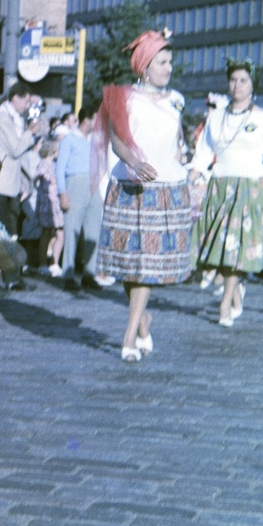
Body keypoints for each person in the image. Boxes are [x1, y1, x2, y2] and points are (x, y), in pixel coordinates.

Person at [93, 30, 194, 362]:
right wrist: (135, 161)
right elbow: (117, 140)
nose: (168, 68)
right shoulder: (122, 97)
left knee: (146, 266)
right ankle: (143, 319)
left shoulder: (176, 99)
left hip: (163, 189)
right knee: (128, 266)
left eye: (170, 61)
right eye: (161, 62)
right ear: (144, 66)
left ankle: (129, 335)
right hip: (129, 187)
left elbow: (176, 142)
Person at [190, 59, 263, 325]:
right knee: (216, 248)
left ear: (252, 85)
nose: (237, 86)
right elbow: (204, 150)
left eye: (243, 80)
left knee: (236, 248)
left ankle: (225, 303)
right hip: (221, 185)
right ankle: (235, 291)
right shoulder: (217, 116)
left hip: (250, 187)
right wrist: (195, 173)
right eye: (233, 80)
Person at [0, 84, 45, 239]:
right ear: (15, 98)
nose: (28, 106)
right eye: (26, 101)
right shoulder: (3, 118)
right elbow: (16, 150)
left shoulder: (14, 117)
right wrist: (30, 132)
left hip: (4, 179)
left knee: (6, 227)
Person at [57, 105, 104, 289]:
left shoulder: (94, 140)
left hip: (92, 185)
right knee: (72, 231)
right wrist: (63, 193)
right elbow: (60, 168)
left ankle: (89, 274)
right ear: (86, 120)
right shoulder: (69, 139)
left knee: (94, 232)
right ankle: (68, 275)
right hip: (74, 184)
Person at [34, 138, 64, 276]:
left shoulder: (55, 165)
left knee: (59, 233)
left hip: (56, 203)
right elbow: (36, 179)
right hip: (48, 202)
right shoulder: (43, 164)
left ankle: (54, 263)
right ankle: (43, 264)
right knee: (46, 233)